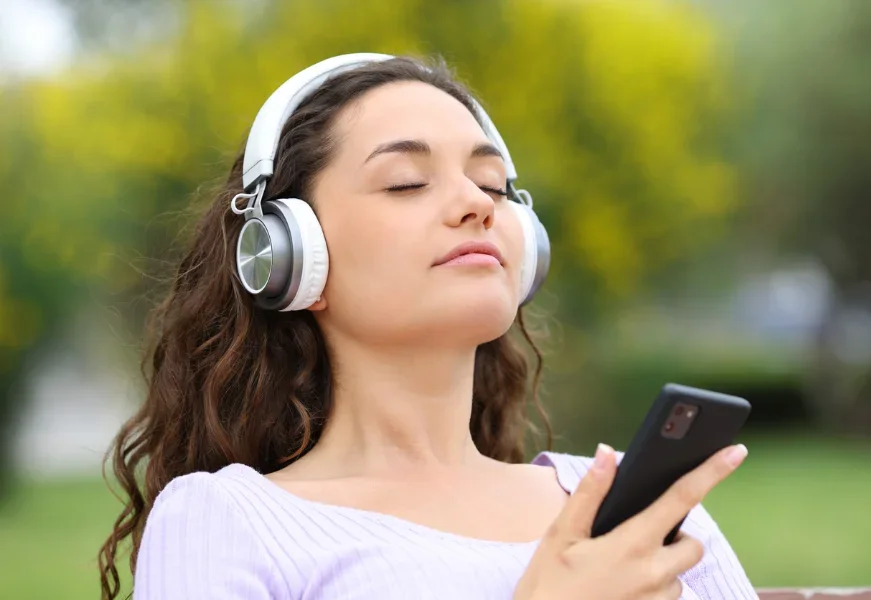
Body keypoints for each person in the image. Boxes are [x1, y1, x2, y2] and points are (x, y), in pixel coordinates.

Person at [98, 53, 758, 600]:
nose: (476, 204)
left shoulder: (644, 511)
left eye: (493, 186)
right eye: (408, 182)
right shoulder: (228, 521)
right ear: (290, 256)